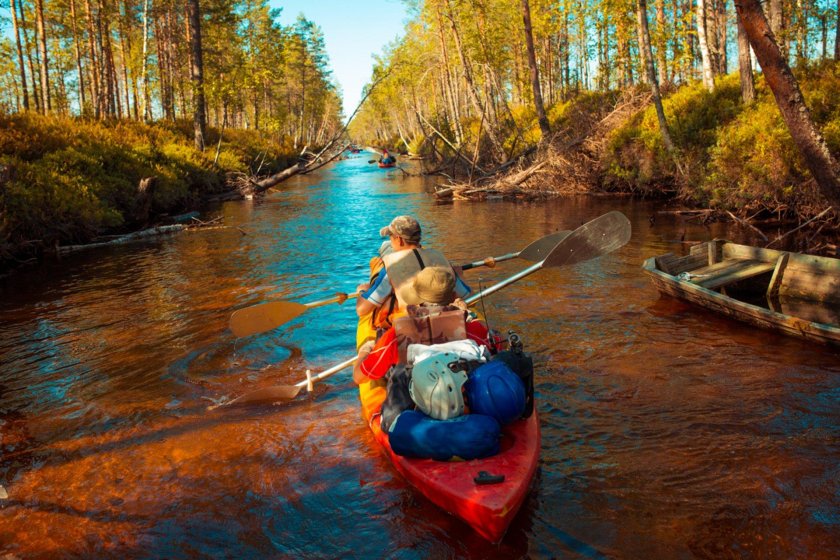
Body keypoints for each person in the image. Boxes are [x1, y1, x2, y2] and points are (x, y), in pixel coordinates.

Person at [353, 266, 489, 385]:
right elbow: (496, 347)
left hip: (416, 398)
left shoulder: (397, 335)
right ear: (454, 296)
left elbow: (359, 376)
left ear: (416, 298)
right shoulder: (471, 329)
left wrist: (364, 351)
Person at [355, 216, 470, 348]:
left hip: (411, 326)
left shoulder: (391, 265)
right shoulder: (439, 257)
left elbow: (361, 310)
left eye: (390, 237)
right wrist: (459, 275)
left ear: (399, 239)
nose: (390, 241)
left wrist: (362, 291)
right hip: (448, 321)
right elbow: (466, 295)